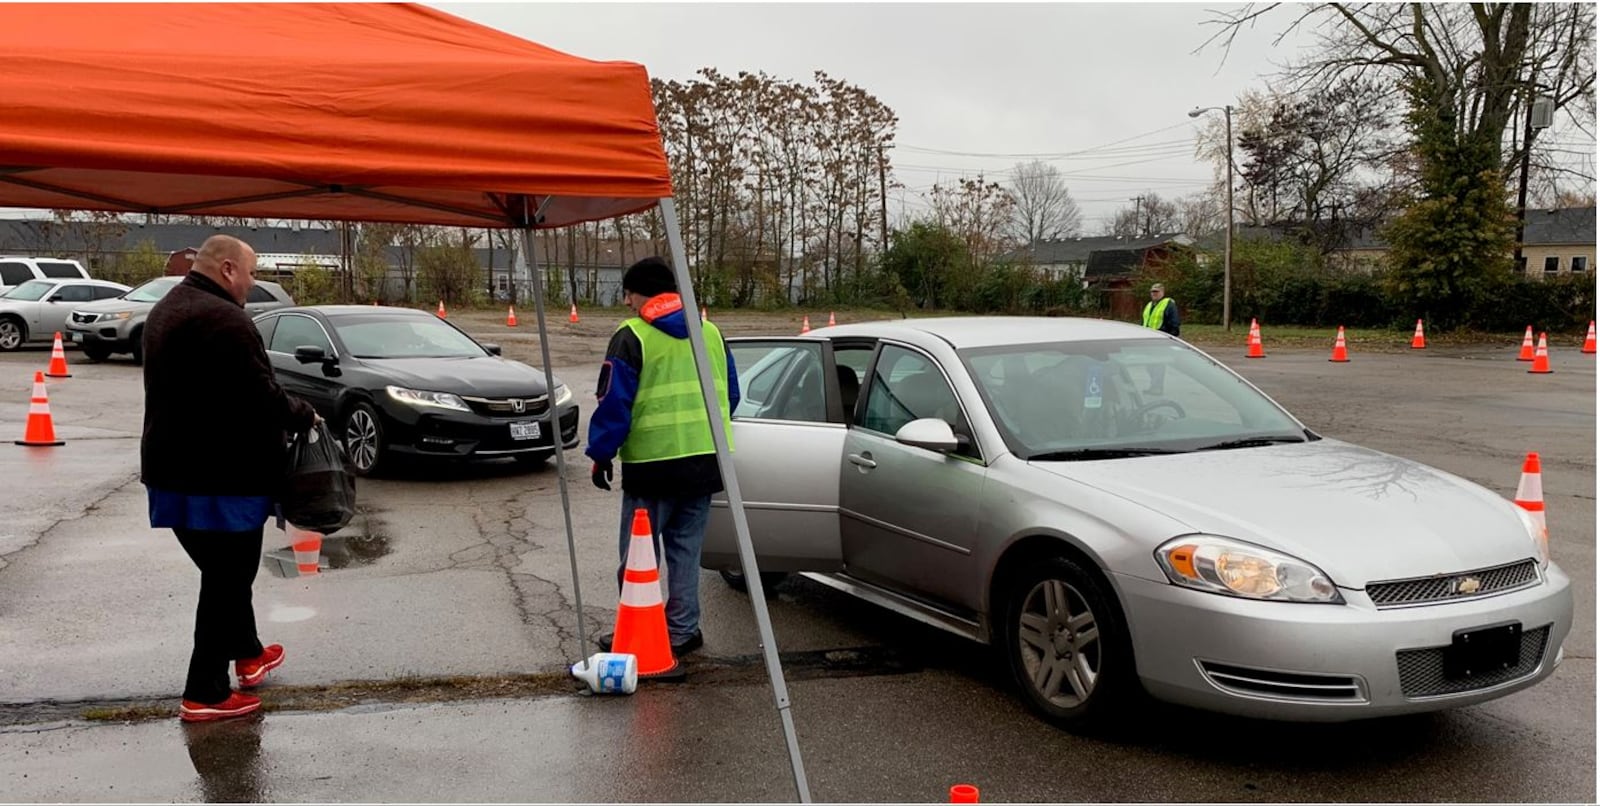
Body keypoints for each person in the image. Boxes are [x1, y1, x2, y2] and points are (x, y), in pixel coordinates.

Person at [142, 235, 319, 722]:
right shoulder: (226, 320)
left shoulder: (168, 308)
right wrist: (305, 414)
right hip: (221, 479)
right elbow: (261, 395)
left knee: (224, 575)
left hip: (172, 473)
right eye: (251, 271)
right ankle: (205, 693)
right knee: (226, 580)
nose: (253, 281)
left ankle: (248, 651)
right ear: (227, 270)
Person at [586, 257, 740, 655]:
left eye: (628, 294)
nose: (625, 303)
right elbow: (732, 395)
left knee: (639, 554)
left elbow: (614, 403)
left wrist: (602, 454)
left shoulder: (632, 335)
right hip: (705, 460)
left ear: (640, 294)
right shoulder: (710, 332)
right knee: (686, 551)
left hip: (653, 466)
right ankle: (683, 629)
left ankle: (639, 631)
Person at [1140, 282, 1181, 395]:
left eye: (1156, 292)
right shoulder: (1149, 305)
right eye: (1152, 292)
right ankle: (1154, 386)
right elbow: (1144, 321)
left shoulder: (1168, 304)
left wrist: (1169, 337)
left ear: (1162, 292)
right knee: (1149, 365)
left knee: (1157, 365)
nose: (1154, 294)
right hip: (1147, 340)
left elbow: (1174, 323)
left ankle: (1157, 388)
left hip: (1160, 340)